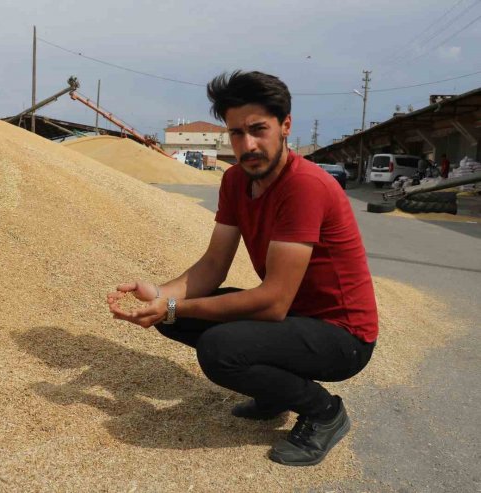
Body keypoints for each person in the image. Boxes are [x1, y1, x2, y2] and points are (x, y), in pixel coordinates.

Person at [107, 70, 378, 467]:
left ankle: (324, 412)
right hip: (296, 319)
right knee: (174, 318)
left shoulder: (305, 186)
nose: (247, 145)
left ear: (286, 126)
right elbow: (214, 264)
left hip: (343, 336)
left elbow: (272, 304)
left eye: (258, 129)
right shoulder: (235, 180)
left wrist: (174, 306)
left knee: (221, 350)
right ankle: (276, 393)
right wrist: (161, 297)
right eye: (236, 133)